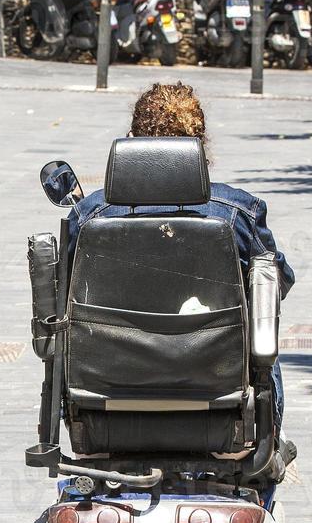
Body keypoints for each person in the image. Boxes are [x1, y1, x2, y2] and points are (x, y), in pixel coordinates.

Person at [57, 82, 296, 471]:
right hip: (221, 404)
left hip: (103, 404)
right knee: (260, 317)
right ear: (200, 146)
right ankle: (269, 442)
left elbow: (63, 295)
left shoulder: (90, 217)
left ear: (133, 141)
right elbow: (276, 285)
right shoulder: (236, 212)